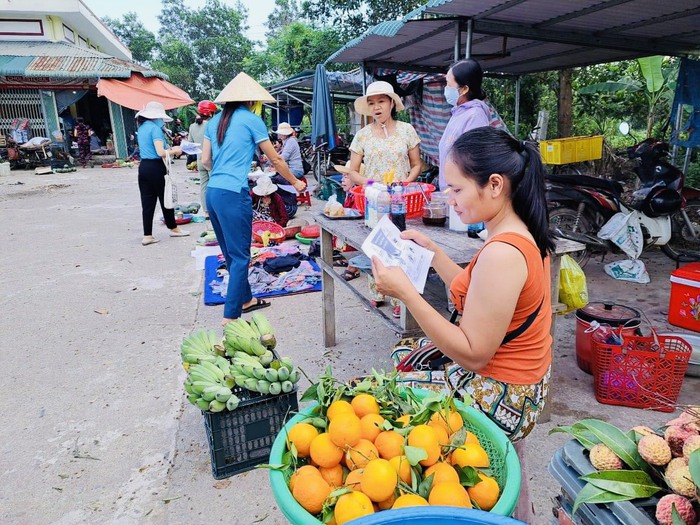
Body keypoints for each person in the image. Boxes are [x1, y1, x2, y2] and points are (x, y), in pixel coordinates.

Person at [372, 127, 555, 444]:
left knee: (379, 396)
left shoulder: (502, 254)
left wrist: (407, 294)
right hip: (523, 383)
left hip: (502, 396)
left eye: (456, 190)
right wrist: (434, 254)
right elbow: (478, 295)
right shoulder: (522, 233)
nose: (449, 199)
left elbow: (473, 355)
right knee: (405, 351)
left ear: (495, 184)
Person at [201, 72, 306, 325]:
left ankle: (246, 299)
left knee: (230, 253)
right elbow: (276, 159)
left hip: (213, 192)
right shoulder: (251, 120)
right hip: (233, 194)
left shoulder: (213, 122)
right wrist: (296, 182)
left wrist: (222, 172)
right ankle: (230, 319)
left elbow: (205, 161)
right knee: (240, 257)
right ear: (251, 100)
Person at [342, 81, 422, 318]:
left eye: (381, 101)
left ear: (391, 103)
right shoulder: (362, 135)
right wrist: (370, 184)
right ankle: (377, 291)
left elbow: (417, 164)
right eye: (372, 103)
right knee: (376, 246)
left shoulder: (407, 130)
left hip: (401, 198)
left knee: (401, 246)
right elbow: (353, 171)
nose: (376, 107)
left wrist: (405, 183)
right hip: (374, 198)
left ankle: (400, 296)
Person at [438, 58, 507, 192]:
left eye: (448, 85)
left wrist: (458, 190)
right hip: (452, 192)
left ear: (464, 89)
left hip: (462, 195)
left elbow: (473, 161)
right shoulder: (459, 113)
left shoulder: (475, 115)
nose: (446, 89)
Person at [135, 101, 189, 246]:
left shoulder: (142, 128)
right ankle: (173, 228)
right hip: (156, 167)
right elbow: (160, 152)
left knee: (147, 202)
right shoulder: (155, 129)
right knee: (166, 199)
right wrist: (176, 151)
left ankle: (147, 235)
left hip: (144, 167)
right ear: (156, 117)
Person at [189, 100, 217, 220]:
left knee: (204, 186)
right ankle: (215, 210)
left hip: (200, 159)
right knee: (215, 185)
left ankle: (206, 212)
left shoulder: (192, 126)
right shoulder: (212, 125)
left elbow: (190, 144)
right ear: (211, 113)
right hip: (211, 160)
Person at [270, 122, 304, 220]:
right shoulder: (287, 141)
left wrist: (272, 160)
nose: (280, 135)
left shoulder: (291, 142)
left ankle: (287, 204)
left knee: (276, 179)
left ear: (285, 134)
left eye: (281, 133)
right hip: (290, 168)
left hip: (295, 170)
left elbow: (283, 158)